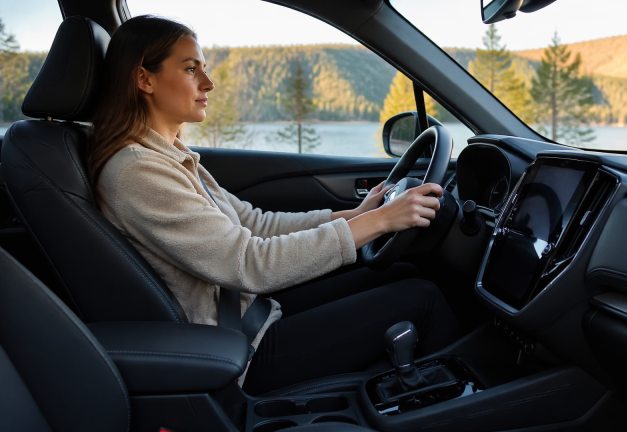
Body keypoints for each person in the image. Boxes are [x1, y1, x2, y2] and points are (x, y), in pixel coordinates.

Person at [87, 15, 461, 395]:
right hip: (240, 350)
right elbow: (249, 262)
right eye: (190, 69)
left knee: (398, 272)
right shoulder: (137, 172)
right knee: (422, 298)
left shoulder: (169, 156)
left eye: (203, 68)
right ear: (144, 79)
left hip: (250, 311)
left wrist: (355, 215)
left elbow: (253, 223)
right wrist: (378, 223)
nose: (208, 83)